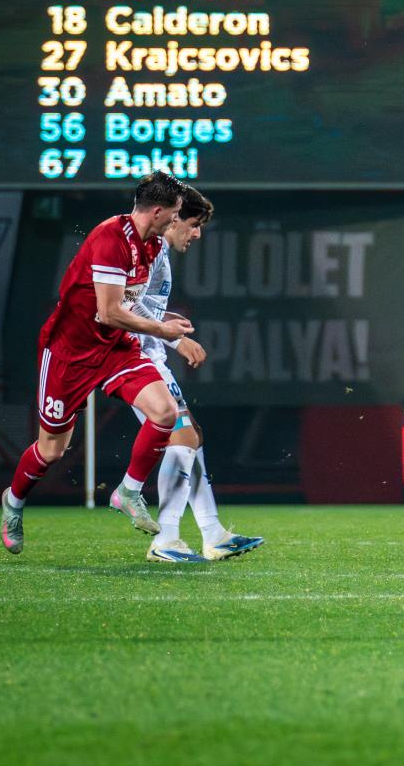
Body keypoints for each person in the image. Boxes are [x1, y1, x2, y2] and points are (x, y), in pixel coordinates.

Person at [0, 172, 195, 554]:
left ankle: (129, 491)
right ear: (157, 211)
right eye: (174, 213)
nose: (177, 220)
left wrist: (166, 327)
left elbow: (129, 303)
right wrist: (163, 331)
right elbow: (108, 311)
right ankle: (14, 501)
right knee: (52, 451)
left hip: (115, 348)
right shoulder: (110, 239)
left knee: (165, 413)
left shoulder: (153, 244)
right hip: (70, 353)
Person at [128, 189, 265, 563]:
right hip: (135, 358)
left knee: (192, 438)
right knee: (183, 436)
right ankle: (166, 539)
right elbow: (124, 302)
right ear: (172, 218)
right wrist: (176, 340)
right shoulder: (149, 251)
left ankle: (212, 533)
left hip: (148, 354)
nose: (198, 233)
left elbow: (140, 303)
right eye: (193, 224)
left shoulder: (156, 250)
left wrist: (168, 324)